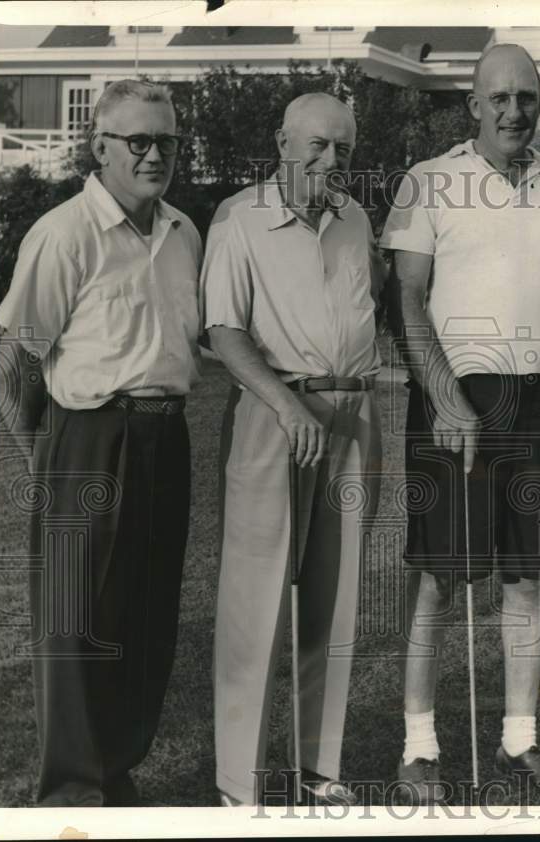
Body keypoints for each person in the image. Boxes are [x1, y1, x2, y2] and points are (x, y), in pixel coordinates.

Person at [380, 43, 540, 804]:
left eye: (526, 98)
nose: (513, 111)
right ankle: (419, 750)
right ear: (474, 105)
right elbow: (407, 298)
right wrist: (442, 395)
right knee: (440, 579)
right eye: (498, 98)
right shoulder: (427, 181)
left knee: (528, 579)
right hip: (456, 398)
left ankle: (522, 744)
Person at [0, 80, 201, 806]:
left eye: (166, 142)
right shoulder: (65, 233)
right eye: (138, 141)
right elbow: (15, 363)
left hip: (165, 440)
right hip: (87, 436)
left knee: (146, 614)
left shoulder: (183, 231)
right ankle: (72, 795)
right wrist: (42, 460)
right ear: (100, 146)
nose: (154, 155)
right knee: (77, 622)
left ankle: (119, 769)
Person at [203, 92, 382, 808]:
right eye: (315, 146)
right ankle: (238, 781)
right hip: (275, 415)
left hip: (352, 415)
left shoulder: (356, 218)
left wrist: (360, 413)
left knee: (335, 599)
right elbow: (224, 331)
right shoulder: (237, 220)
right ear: (282, 143)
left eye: (342, 149)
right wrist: (285, 404)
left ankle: (317, 764)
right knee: (255, 601)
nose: (329, 161)